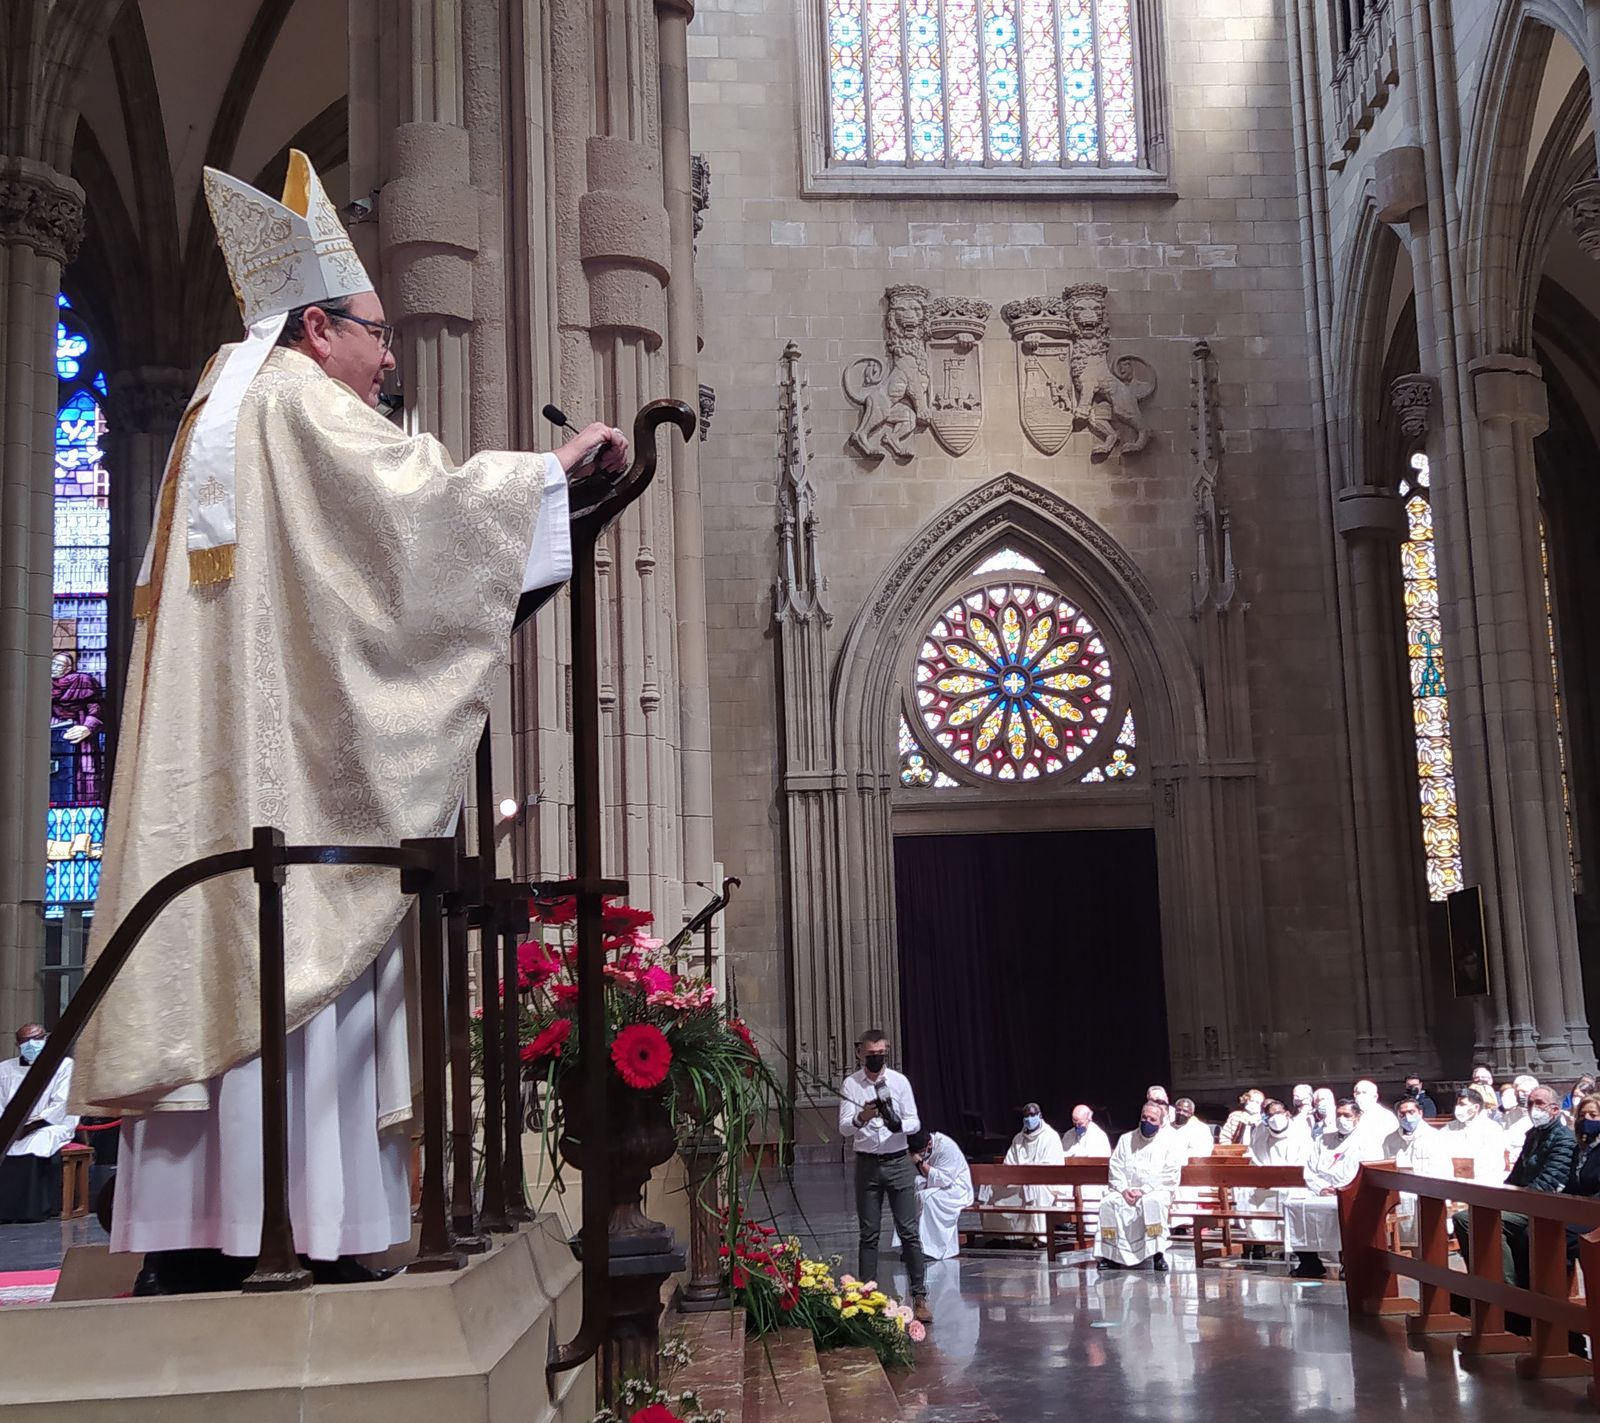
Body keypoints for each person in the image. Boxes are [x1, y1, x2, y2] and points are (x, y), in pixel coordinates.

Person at [60, 151, 627, 1295]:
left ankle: (204, 1232)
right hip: (298, 794)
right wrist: (546, 475)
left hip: (234, 791)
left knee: (244, 945)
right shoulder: (299, 405)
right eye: (375, 335)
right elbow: (418, 518)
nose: (386, 362)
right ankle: (302, 1227)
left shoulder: (226, 409)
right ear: (317, 327)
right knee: (295, 945)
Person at [839, 1030, 931, 1323]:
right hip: (867, 1164)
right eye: (870, 1054)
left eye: (881, 1053)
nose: (876, 1058)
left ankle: (919, 1296)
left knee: (909, 1231)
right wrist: (861, 1117)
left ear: (887, 1052)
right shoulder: (852, 1085)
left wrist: (896, 1122)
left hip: (898, 1161)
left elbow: (915, 1121)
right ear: (860, 1054)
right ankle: (866, 1299)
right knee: (869, 1233)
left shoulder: (899, 1082)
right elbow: (843, 1128)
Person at [1453, 1085, 1575, 1295]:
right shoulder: (1533, 1135)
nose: (1533, 1108)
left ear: (1555, 1109)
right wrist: (1501, 1196)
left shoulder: (1564, 1139)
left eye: (1539, 1104)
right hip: (1523, 1202)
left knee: (1473, 1219)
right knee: (1465, 1216)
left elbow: (1548, 1183)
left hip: (1545, 1206)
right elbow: (1515, 1176)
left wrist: (1514, 1202)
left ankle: (1508, 1291)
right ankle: (1484, 1280)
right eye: (1529, 1104)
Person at [1283, 1098, 1385, 1278]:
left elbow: (1371, 1171)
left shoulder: (1368, 1140)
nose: (1342, 1119)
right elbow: (1311, 1169)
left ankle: (1350, 1262)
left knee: (1344, 1210)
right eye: (1339, 1115)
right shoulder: (1323, 1139)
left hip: (1351, 1192)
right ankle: (1310, 1262)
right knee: (1293, 1204)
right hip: (1322, 1191)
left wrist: (1344, 1188)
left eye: (1347, 1115)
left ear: (1357, 1117)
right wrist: (1321, 1188)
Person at [0, 1025, 78, 1223]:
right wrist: (10, 1126)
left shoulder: (64, 1066)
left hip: (50, 1124)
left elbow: (61, 1103)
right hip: (12, 1128)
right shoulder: (5, 1069)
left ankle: (30, 1210)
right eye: (25, 1041)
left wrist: (30, 1126)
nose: (32, 1045)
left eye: (37, 1038)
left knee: (37, 1142)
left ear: (46, 1039)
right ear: (17, 1044)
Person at [1096, 1101, 1184, 1271]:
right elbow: (1116, 1167)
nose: (1147, 1122)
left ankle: (1157, 1254)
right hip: (1126, 1190)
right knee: (1108, 1203)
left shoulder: (1169, 1143)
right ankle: (1110, 1254)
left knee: (1153, 1203)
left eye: (1152, 1119)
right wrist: (1123, 1189)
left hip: (1155, 1190)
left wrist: (1143, 1190)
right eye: (1144, 1117)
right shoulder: (1126, 1139)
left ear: (1161, 1122)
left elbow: (1169, 1173)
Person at [980, 1102, 1067, 1242]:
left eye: (1032, 1115)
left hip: (1044, 1184)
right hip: (1019, 1180)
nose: (1029, 1119)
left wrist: (1028, 1171)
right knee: (992, 1189)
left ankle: (1036, 1236)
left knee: (1034, 1190)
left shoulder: (1050, 1137)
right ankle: (998, 1234)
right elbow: (1009, 1163)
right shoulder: (1018, 1139)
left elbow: (1051, 1168)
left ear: (1040, 1116)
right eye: (1026, 1116)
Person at [1241, 1097, 1309, 1260]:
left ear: (1286, 1114)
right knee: (1254, 1200)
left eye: (1278, 1113)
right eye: (1270, 1115)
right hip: (1267, 1184)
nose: (1275, 1118)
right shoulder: (1260, 1131)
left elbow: (1305, 1157)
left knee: (1293, 1201)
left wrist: (1287, 1176)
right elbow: (1255, 1156)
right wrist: (1264, 1176)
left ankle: (1293, 1248)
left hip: (1293, 1183)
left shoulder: (1300, 1130)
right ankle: (1260, 1243)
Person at [898, 1128, 974, 1262]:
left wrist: (920, 1162)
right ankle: (911, 1245)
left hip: (956, 1188)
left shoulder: (946, 1147)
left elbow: (944, 1179)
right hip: (937, 1184)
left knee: (929, 1200)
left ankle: (931, 1248)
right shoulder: (919, 1148)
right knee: (909, 1194)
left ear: (929, 1144)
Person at [1384, 1094, 1448, 1247]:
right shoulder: (1390, 1139)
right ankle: (1398, 1245)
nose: (1407, 1117)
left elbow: (1443, 1169)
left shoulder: (1435, 1137)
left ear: (1420, 1113)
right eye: (1402, 1114)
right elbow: (1387, 1167)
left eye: (1411, 1112)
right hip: (1399, 1189)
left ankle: (1424, 1245)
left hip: (1427, 1188)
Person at [1442, 1088, 1507, 1185]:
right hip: (1453, 1179)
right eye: (1457, 1104)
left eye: (1462, 1104)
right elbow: (1440, 1149)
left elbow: (1491, 1161)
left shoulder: (1492, 1128)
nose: (1458, 1107)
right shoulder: (1450, 1127)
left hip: (1483, 1182)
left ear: (1476, 1107)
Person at [1502, 1074, 1541, 1156]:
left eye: (1526, 1091)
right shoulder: (1508, 1115)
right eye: (1518, 1091)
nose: (1522, 1095)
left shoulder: (1542, 1114)